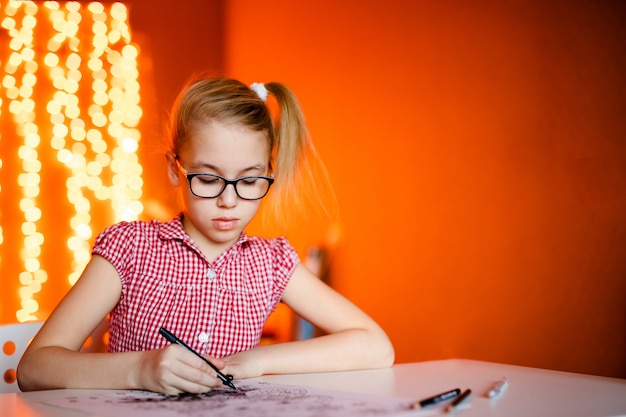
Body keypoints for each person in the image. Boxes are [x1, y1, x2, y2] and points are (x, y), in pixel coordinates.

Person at [17, 77, 394, 394]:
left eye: (249, 180)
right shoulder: (129, 248)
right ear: (174, 168)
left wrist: (257, 361)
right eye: (209, 179)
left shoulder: (272, 263)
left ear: (268, 172)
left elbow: (375, 347)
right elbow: (35, 368)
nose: (229, 201)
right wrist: (140, 370)